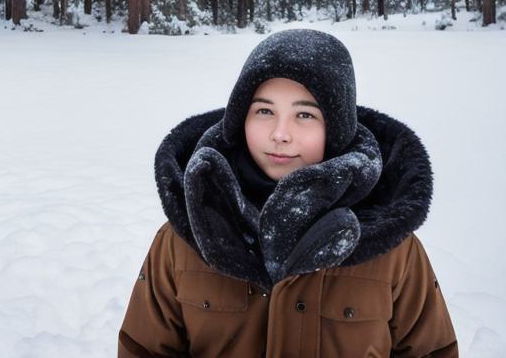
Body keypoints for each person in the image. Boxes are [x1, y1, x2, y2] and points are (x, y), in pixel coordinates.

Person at [119, 29, 457, 356]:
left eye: (305, 114)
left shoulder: (390, 247)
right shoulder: (189, 231)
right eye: (264, 111)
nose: (281, 133)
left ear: (336, 128)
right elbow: (143, 349)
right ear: (240, 119)